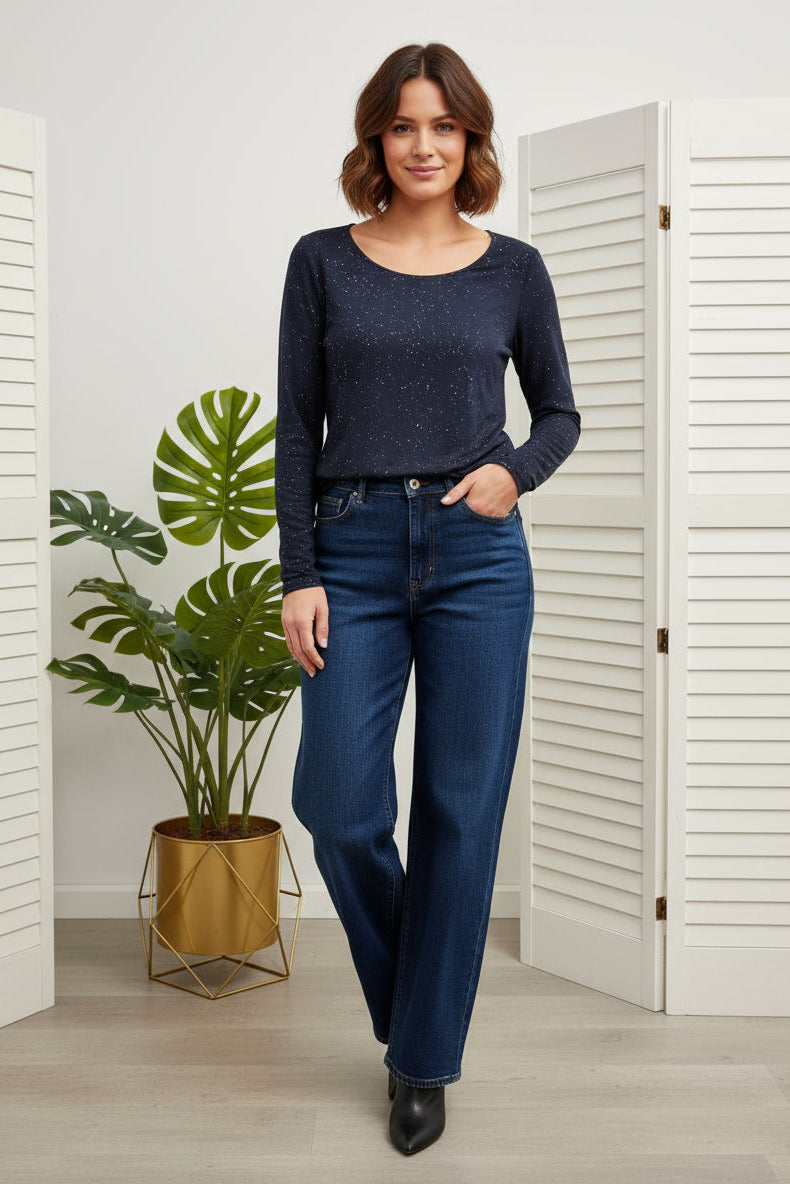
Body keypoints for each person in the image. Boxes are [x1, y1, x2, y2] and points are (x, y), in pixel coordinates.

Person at [274, 41, 581, 1156]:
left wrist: (515, 472)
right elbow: (292, 428)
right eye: (403, 126)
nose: (422, 145)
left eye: (442, 127)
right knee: (343, 808)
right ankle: (422, 1007)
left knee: (459, 810)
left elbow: (557, 411)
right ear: (376, 140)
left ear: (470, 142)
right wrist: (298, 572)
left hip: (477, 554)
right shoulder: (322, 261)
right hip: (350, 549)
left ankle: (420, 1061)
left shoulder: (515, 268)